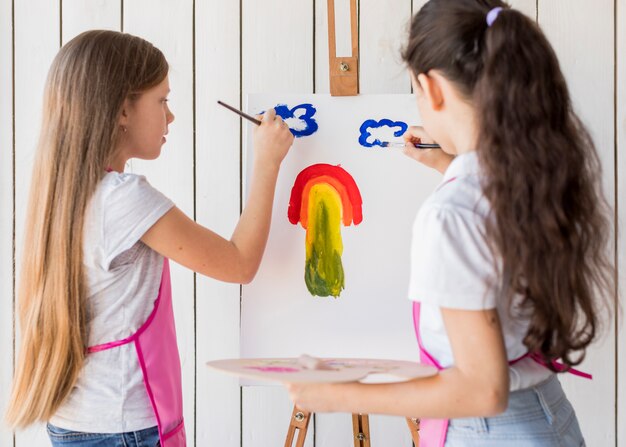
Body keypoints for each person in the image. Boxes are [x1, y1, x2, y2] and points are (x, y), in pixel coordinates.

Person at [286, 1, 613, 445]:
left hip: (491, 431)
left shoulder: (451, 214)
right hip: (548, 416)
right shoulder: (533, 178)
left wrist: (341, 395)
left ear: (432, 89)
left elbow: (483, 388)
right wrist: (448, 164)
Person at [5, 30, 293, 447]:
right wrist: (267, 163)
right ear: (123, 109)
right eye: (162, 101)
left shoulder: (64, 193)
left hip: (74, 419)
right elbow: (239, 263)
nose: (170, 117)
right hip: (125, 426)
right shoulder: (124, 199)